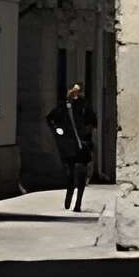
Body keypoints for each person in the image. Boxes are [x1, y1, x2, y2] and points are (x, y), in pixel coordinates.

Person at [47, 83, 97, 212]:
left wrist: (87, 130)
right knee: (70, 173)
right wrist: (57, 130)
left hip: (83, 143)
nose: (76, 93)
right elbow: (50, 119)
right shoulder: (63, 106)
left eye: (78, 91)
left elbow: (93, 121)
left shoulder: (86, 106)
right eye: (73, 90)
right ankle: (70, 190)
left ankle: (78, 202)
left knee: (81, 172)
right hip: (69, 144)